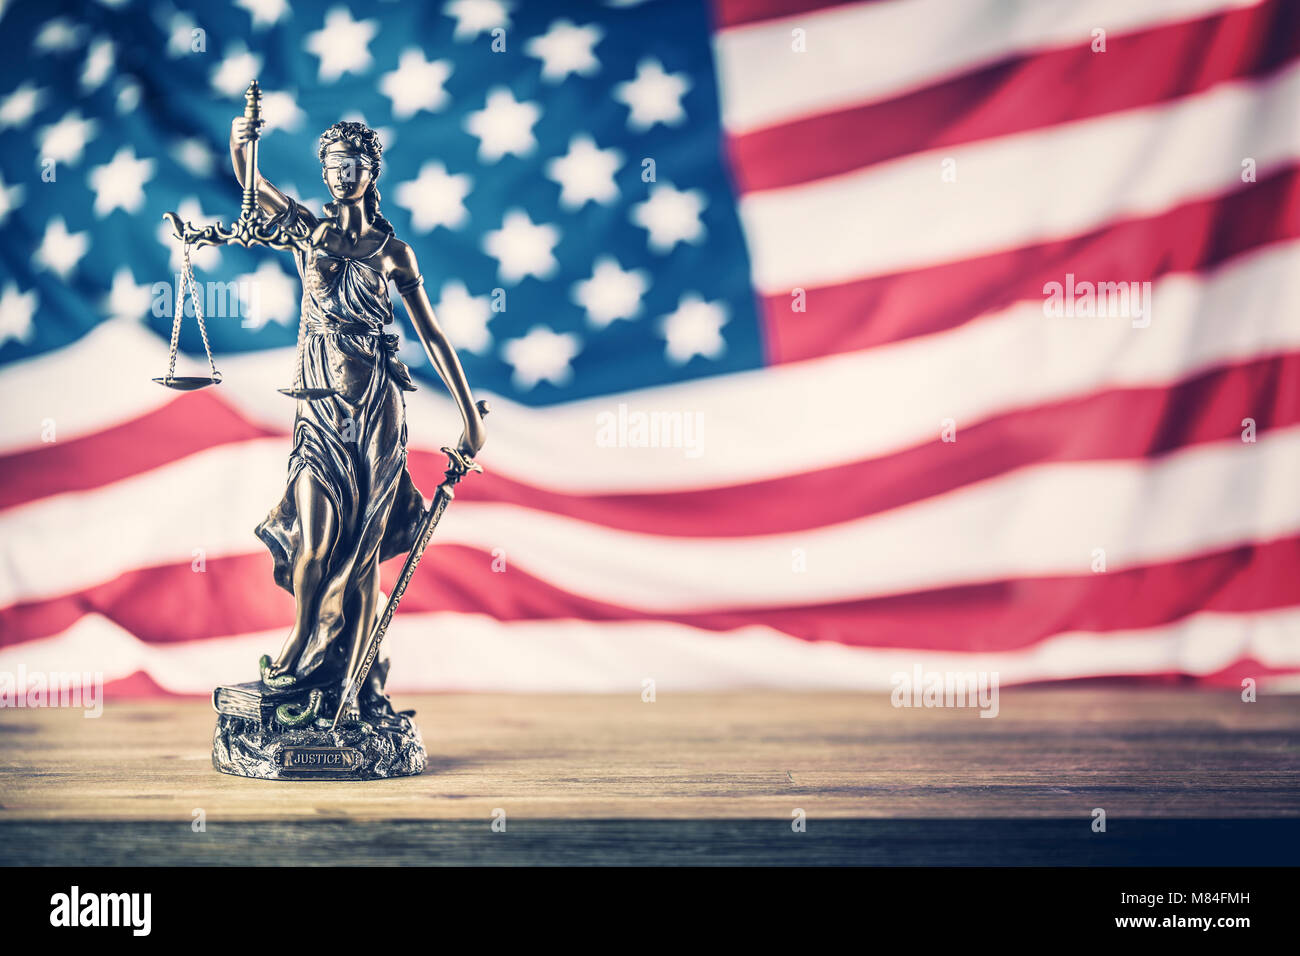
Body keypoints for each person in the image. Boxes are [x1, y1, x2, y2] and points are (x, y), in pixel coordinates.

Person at [228, 116, 487, 720]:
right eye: (331, 166)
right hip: (320, 408)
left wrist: (469, 414)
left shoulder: (394, 252)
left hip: (377, 409)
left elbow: (433, 333)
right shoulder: (310, 235)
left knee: (365, 548)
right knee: (316, 543)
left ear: (371, 170)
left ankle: (354, 679)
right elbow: (251, 184)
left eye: (351, 164)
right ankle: (299, 642)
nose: (340, 175)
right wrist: (241, 142)